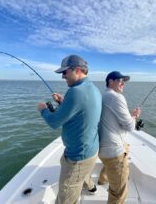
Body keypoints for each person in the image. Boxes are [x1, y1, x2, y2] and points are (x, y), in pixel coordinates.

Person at [37, 54, 102, 204]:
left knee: (65, 196)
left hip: (78, 156)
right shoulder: (92, 88)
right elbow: (81, 110)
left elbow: (54, 122)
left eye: (64, 72)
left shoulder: (75, 91)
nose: (62, 77)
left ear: (77, 70)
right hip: (91, 149)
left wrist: (42, 110)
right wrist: (64, 102)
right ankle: (91, 187)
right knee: (79, 171)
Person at [98, 71, 141, 204]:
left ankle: (101, 181)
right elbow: (129, 126)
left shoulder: (104, 96)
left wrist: (131, 116)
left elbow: (115, 120)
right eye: (120, 80)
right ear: (110, 81)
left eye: (124, 81)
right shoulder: (116, 97)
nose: (123, 83)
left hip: (103, 149)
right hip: (114, 151)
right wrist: (133, 117)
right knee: (119, 192)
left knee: (110, 164)